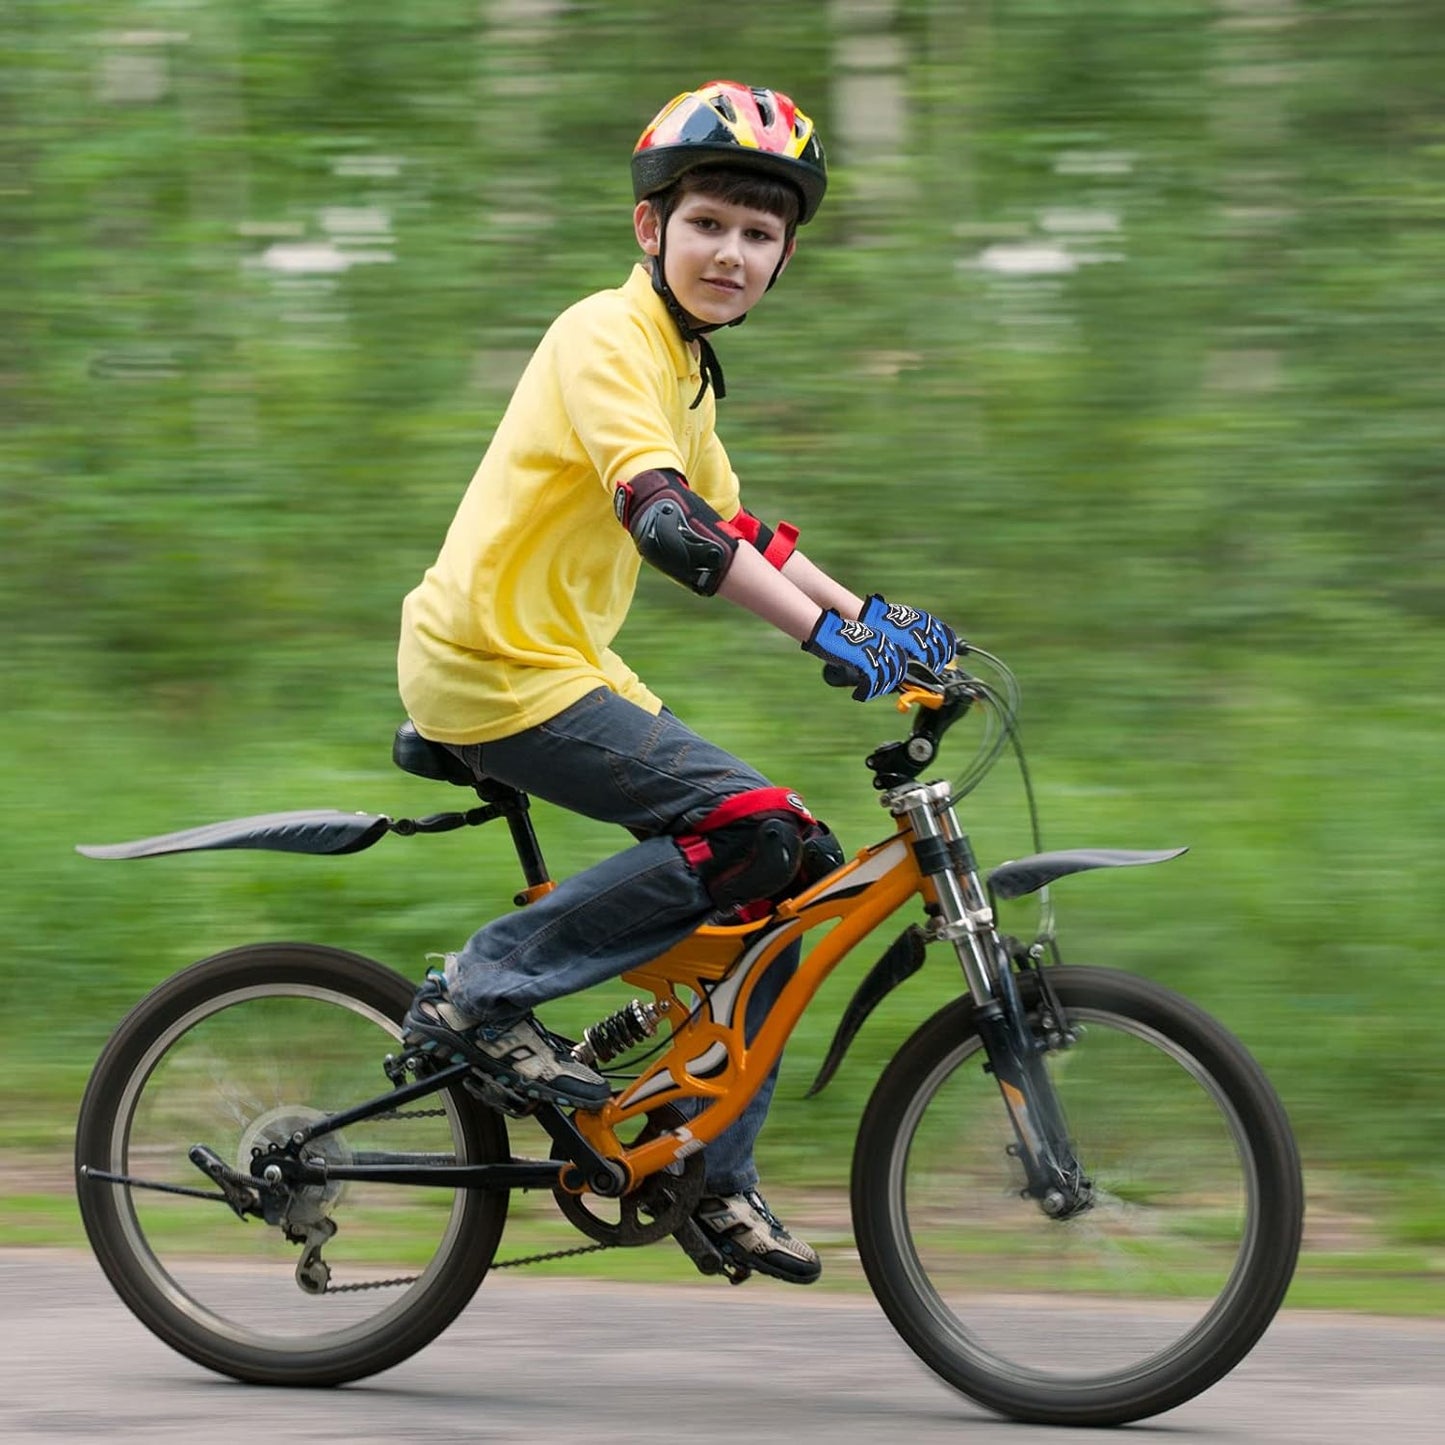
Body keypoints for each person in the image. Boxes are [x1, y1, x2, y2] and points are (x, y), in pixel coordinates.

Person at [396, 80, 958, 1284]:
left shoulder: (684, 367)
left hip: (562, 663)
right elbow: (668, 523)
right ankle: (479, 990)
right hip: (489, 665)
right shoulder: (606, 336)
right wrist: (828, 643)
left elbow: (741, 525)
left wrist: (883, 624)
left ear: (783, 257)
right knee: (747, 823)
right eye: (708, 223)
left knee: (791, 864)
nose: (732, 252)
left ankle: (701, 1163)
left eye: (759, 235)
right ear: (650, 227)